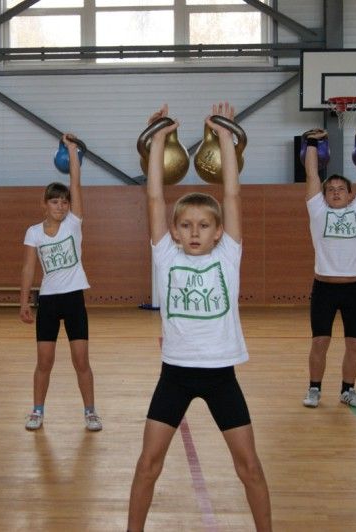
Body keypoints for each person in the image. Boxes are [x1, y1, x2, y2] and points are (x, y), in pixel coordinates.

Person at [127, 103, 271, 532]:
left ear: (218, 232)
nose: (194, 232)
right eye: (186, 225)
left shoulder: (228, 255)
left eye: (204, 225)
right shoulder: (166, 255)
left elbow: (233, 196)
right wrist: (157, 140)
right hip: (174, 375)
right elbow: (154, 197)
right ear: (174, 231)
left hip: (221, 375)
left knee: (249, 467)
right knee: (148, 464)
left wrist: (225, 138)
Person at [19, 133, 101, 432]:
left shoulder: (73, 225)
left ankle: (90, 412)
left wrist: (73, 151)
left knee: (81, 361)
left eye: (64, 202)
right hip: (49, 301)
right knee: (44, 361)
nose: (61, 206)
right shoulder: (34, 232)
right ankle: (37, 411)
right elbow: (28, 268)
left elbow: (76, 184)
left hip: (73, 298)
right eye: (54, 202)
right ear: (44, 205)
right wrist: (24, 302)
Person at [301, 126, 356, 409]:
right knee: (320, 342)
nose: (335, 193)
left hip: (353, 289)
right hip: (324, 288)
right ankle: (314, 389)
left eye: (341, 190)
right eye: (331, 190)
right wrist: (311, 143)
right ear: (324, 196)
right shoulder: (317, 210)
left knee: (355, 344)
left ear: (350, 195)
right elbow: (312, 175)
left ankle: (348, 390)